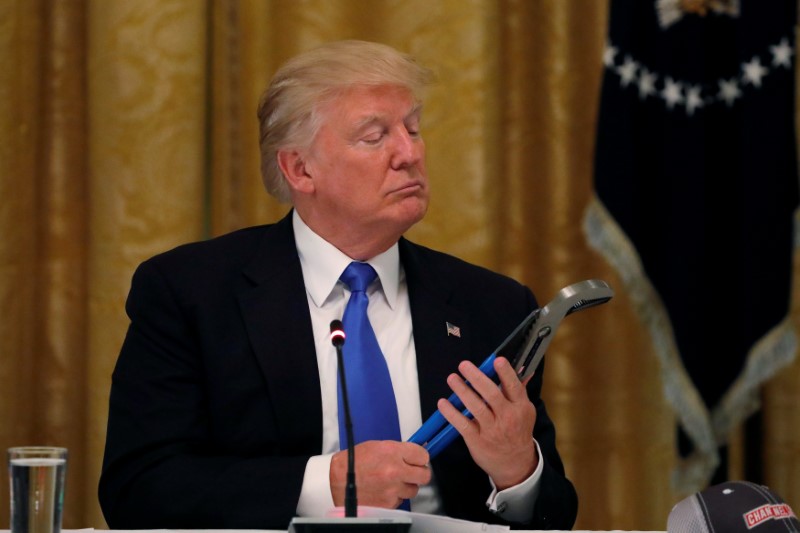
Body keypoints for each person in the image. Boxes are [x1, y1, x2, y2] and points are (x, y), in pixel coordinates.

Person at [98, 39, 578, 530]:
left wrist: (518, 471)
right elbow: (139, 488)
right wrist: (323, 483)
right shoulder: (192, 292)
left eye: (412, 129)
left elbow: (555, 516)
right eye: (375, 137)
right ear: (300, 168)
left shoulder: (492, 304)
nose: (409, 153)